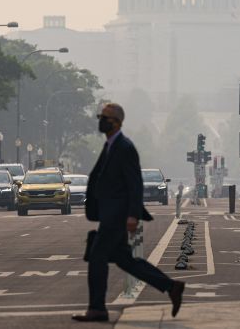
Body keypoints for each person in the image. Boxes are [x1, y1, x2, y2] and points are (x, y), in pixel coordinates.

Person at [73, 103, 185, 322]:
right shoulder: (111, 146)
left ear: (116, 122)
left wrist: (133, 214)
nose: (101, 121)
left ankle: (97, 309)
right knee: (126, 261)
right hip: (109, 213)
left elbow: (135, 184)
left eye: (105, 118)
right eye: (101, 117)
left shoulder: (124, 147)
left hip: (116, 215)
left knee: (97, 257)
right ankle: (171, 287)